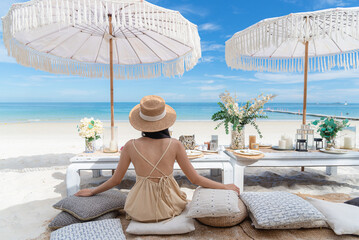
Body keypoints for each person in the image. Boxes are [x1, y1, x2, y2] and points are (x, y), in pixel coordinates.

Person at [75, 95, 239, 222]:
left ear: (141, 122)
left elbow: (116, 180)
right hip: (169, 207)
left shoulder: (130, 145)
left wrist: (92, 191)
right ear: (165, 122)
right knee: (183, 199)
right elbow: (194, 178)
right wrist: (225, 187)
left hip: (138, 209)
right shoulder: (175, 144)